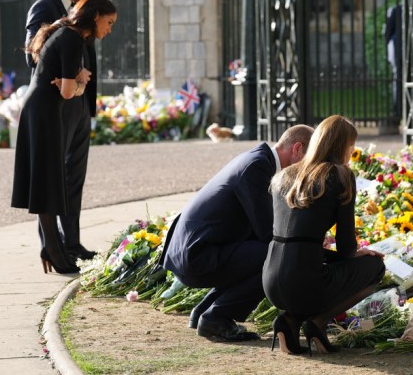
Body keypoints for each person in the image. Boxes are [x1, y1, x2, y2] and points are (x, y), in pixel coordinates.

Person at [160, 125, 315, 342]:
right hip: (196, 256)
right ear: (297, 149)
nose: (308, 170)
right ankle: (217, 317)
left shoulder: (258, 159)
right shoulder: (257, 167)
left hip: (195, 250)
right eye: (310, 161)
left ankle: (206, 311)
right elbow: (268, 231)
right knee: (278, 258)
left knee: (263, 253)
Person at [12, 0, 117, 274]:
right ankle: (55, 251)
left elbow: (64, 87)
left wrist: (69, 82)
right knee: (47, 180)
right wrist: (80, 79)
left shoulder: (68, 34)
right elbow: (70, 92)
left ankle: (52, 247)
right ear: (95, 17)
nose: (109, 29)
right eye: (109, 22)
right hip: (44, 113)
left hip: (44, 110)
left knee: (49, 178)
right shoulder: (71, 38)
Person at [262, 115, 386, 355]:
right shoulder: (340, 175)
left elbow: (293, 236)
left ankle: (289, 321)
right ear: (343, 146)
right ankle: (318, 322)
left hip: (270, 277)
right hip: (303, 279)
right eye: (351, 146)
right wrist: (357, 255)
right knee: (375, 267)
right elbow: (346, 246)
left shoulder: (284, 176)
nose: (352, 152)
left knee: (306, 272)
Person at [24, 0, 104, 261]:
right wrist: (69, 73)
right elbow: (33, 54)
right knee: (52, 175)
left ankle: (72, 241)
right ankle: (52, 242)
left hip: (79, 102)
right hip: (57, 103)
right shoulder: (43, 8)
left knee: (74, 177)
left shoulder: (83, 7)